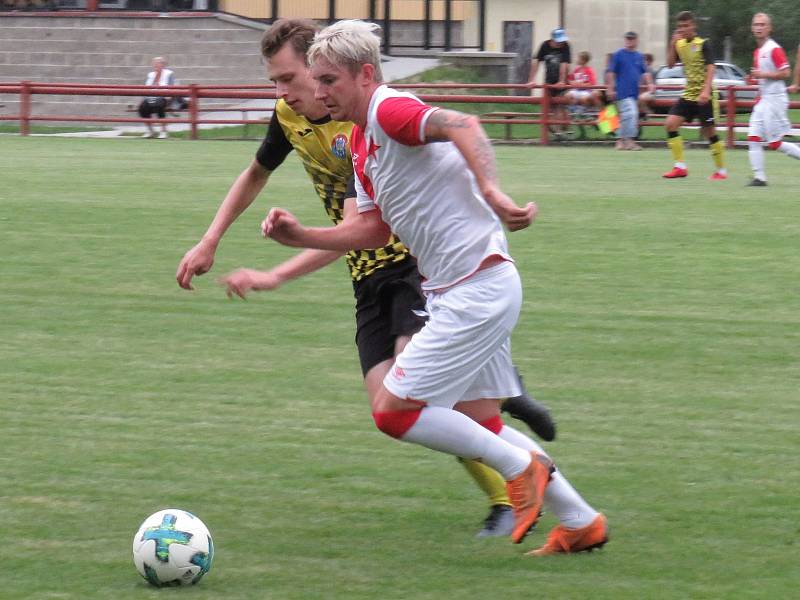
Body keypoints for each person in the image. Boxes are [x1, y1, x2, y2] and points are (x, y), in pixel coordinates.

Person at [176, 19, 557, 539]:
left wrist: (492, 190)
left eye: (291, 77)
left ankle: (506, 492)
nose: (283, 91)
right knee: (392, 405)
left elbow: (443, 142)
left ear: (326, 72)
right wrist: (211, 239)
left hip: (413, 265)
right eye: (276, 82)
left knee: (414, 392)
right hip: (363, 266)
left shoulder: (364, 117)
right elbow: (258, 173)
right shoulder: (292, 116)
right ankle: (508, 405)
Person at [263, 19, 607, 556]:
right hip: (463, 288)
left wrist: (491, 190)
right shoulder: (358, 142)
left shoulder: (386, 109)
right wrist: (298, 235)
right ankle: (580, 521)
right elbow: (372, 229)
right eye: (316, 79)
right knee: (480, 420)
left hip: (477, 288)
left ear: (365, 75)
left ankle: (522, 470)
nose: (319, 90)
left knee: (393, 412)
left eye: (328, 80)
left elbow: (462, 124)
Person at [662, 11, 727, 179]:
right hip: (689, 94)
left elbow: (712, 67)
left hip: (705, 95)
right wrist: (672, 44)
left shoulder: (703, 44)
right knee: (670, 124)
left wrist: (706, 90)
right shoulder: (679, 44)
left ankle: (721, 171)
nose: (683, 29)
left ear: (694, 25)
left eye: (686, 26)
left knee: (709, 133)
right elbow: (669, 65)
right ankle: (680, 167)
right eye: (680, 27)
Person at [746, 12, 800, 187]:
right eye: (756, 24)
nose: (759, 27)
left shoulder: (773, 48)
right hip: (764, 100)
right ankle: (759, 178)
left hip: (775, 100)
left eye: (763, 24)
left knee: (774, 143)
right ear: (752, 28)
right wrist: (754, 79)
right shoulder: (757, 51)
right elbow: (760, 77)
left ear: (770, 28)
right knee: (753, 136)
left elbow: (785, 72)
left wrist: (763, 74)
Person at [606, 32, 651, 151]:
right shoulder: (618, 55)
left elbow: (645, 72)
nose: (629, 41)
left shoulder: (639, 56)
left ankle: (620, 141)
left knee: (627, 116)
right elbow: (610, 72)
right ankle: (629, 140)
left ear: (636, 41)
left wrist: (650, 83)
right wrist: (610, 88)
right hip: (622, 91)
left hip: (634, 92)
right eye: (627, 39)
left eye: (632, 39)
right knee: (631, 113)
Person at [529, 28, 571, 136]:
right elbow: (536, 62)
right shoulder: (544, 46)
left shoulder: (565, 46)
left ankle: (560, 130)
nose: (561, 43)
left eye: (562, 41)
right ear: (552, 39)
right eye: (558, 41)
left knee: (560, 105)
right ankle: (555, 130)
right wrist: (531, 80)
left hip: (562, 80)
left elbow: (564, 64)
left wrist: (562, 81)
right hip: (549, 80)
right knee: (549, 106)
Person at [138, 56, 174, 139]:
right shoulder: (150, 74)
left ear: (163, 65)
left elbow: (172, 87)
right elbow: (146, 88)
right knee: (142, 108)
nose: (155, 65)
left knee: (159, 105)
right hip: (150, 97)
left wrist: (161, 87)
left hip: (164, 97)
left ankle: (164, 131)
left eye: (157, 63)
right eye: (154, 63)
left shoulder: (169, 73)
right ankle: (150, 131)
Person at [638, 53, 656, 119]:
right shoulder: (642, 70)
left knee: (640, 98)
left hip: (648, 93)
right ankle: (644, 113)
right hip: (643, 93)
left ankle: (646, 112)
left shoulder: (649, 70)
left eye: (645, 60)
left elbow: (650, 84)